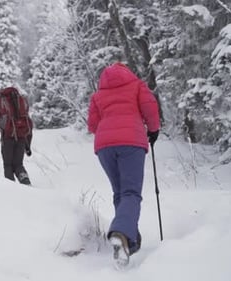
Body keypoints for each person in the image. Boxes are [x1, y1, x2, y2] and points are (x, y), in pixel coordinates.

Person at [87, 62, 160, 264]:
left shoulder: (98, 95)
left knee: (120, 193)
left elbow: (92, 125)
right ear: (128, 73)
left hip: (104, 148)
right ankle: (121, 232)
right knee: (130, 193)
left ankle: (130, 240)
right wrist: (153, 130)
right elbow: (150, 108)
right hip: (131, 144)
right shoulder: (137, 86)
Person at [0, 87, 33, 185]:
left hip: (7, 139)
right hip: (21, 138)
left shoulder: (0, 110)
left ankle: (11, 190)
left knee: (8, 165)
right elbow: (29, 125)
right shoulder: (21, 105)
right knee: (18, 165)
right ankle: (26, 182)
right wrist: (28, 146)